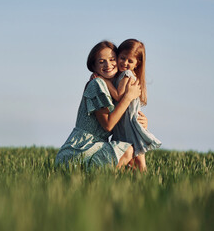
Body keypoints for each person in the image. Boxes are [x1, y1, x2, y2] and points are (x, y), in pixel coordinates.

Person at [55, 41, 144, 169]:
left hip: (95, 146)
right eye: (102, 61)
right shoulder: (97, 84)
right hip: (79, 150)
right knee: (127, 150)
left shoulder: (113, 88)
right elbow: (108, 125)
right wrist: (128, 97)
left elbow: (122, 116)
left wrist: (142, 122)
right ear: (94, 66)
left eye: (112, 59)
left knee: (130, 158)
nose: (108, 65)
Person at [99, 39, 161, 172]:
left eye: (130, 61)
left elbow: (118, 95)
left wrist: (103, 79)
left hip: (128, 122)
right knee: (135, 158)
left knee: (138, 156)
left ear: (137, 64)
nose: (125, 63)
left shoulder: (127, 75)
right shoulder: (121, 76)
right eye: (122, 58)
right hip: (124, 121)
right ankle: (141, 180)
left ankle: (146, 181)